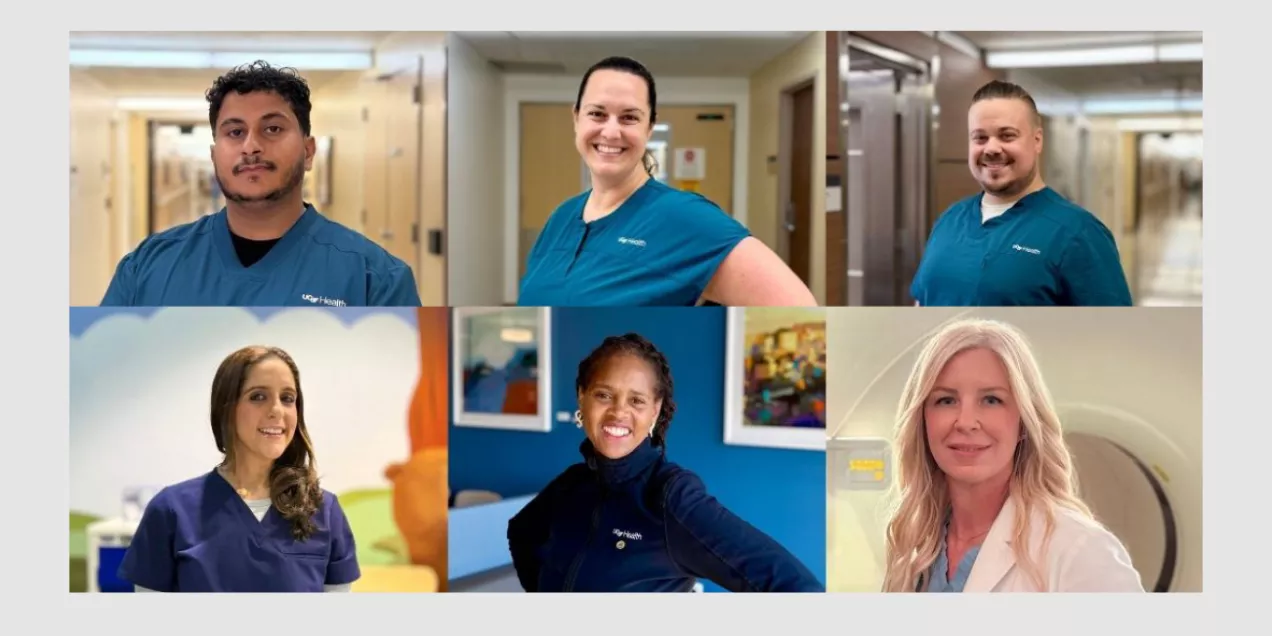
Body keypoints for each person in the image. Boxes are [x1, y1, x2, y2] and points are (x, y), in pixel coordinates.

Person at [507, 333, 824, 593]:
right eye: (604, 395)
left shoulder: (671, 496)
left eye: (636, 401)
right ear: (582, 397)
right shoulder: (573, 483)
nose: (619, 413)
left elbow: (795, 587)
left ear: (655, 411)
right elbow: (520, 532)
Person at [100, 61, 421, 307]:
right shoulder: (148, 265)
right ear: (215, 156)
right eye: (235, 132)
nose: (250, 147)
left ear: (308, 152)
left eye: (272, 129)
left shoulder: (375, 279)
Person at [517, 56, 817, 307]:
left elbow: (801, 311)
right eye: (597, 113)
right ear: (576, 119)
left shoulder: (686, 218)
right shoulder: (562, 217)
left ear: (649, 127)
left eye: (629, 117)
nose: (610, 132)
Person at [880, 319, 1143, 593]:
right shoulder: (912, 548)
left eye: (992, 400)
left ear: (1024, 422)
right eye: (946, 400)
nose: (966, 422)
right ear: (923, 420)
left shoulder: (1080, 552)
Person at [119, 346, 360, 592]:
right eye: (258, 396)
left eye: (287, 398)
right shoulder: (171, 511)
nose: (277, 410)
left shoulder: (324, 511)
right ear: (226, 407)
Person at [910, 80, 1133, 307]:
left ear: (1037, 141)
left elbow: (1113, 332)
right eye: (980, 137)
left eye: (1007, 135)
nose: (992, 148)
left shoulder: (1078, 233)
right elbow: (921, 303)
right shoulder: (950, 219)